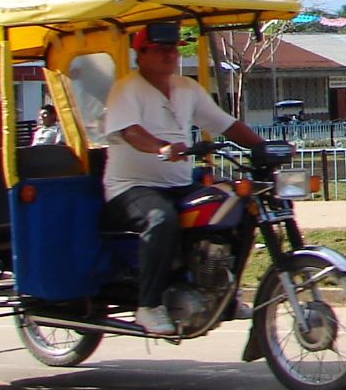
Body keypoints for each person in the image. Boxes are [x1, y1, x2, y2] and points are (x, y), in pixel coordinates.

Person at [102, 20, 267, 336]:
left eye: (173, 49)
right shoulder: (126, 88)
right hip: (130, 188)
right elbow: (131, 132)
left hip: (179, 184)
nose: (169, 55)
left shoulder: (187, 89)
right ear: (140, 54)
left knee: (241, 207)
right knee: (160, 219)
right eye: (160, 50)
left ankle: (227, 292)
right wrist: (162, 147)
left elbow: (226, 124)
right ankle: (148, 307)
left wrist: (264, 146)